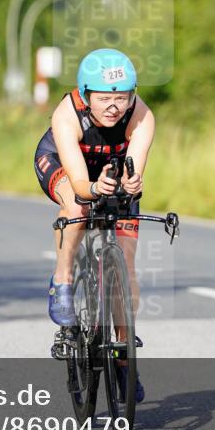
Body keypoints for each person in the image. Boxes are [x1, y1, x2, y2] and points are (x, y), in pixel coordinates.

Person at [33, 48, 155, 402]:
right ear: (86, 97)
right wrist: (92, 188)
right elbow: (82, 184)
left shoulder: (142, 115)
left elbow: (135, 166)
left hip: (110, 171)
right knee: (78, 205)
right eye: (104, 98)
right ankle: (63, 280)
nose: (114, 106)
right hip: (64, 165)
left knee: (126, 262)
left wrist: (132, 182)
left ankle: (121, 353)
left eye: (121, 97)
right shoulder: (67, 115)